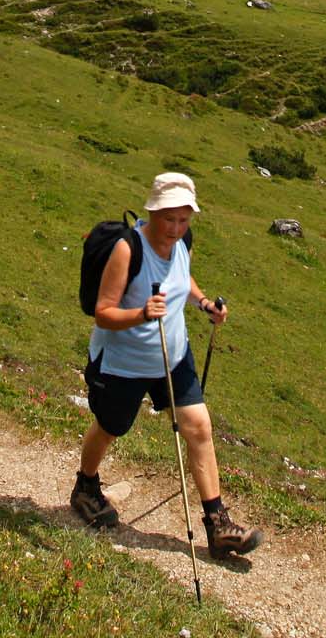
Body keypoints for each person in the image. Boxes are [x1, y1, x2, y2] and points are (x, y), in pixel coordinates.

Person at [71, 172, 263, 559]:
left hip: (172, 357)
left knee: (199, 427)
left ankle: (218, 524)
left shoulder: (183, 242)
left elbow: (183, 278)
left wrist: (204, 303)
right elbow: (103, 313)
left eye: (184, 220)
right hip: (123, 363)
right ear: (153, 212)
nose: (176, 228)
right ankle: (85, 487)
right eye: (169, 219)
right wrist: (142, 313)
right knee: (111, 427)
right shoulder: (128, 249)